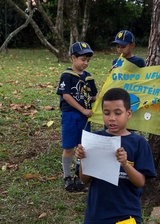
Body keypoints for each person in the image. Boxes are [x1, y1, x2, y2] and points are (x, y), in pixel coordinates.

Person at [75, 88, 156, 224]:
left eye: (118, 113)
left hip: (127, 214)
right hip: (96, 215)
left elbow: (140, 182)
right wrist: (83, 159)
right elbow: (84, 179)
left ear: (128, 113)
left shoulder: (139, 143)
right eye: (106, 113)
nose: (112, 118)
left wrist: (125, 164)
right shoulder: (94, 140)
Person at [56, 41, 98, 192]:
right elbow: (66, 96)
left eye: (88, 60)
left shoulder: (89, 78)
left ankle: (78, 176)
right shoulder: (67, 76)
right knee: (68, 147)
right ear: (73, 57)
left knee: (83, 147)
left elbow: (94, 96)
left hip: (85, 118)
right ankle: (67, 177)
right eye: (82, 59)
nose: (86, 63)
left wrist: (101, 95)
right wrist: (83, 109)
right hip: (71, 115)